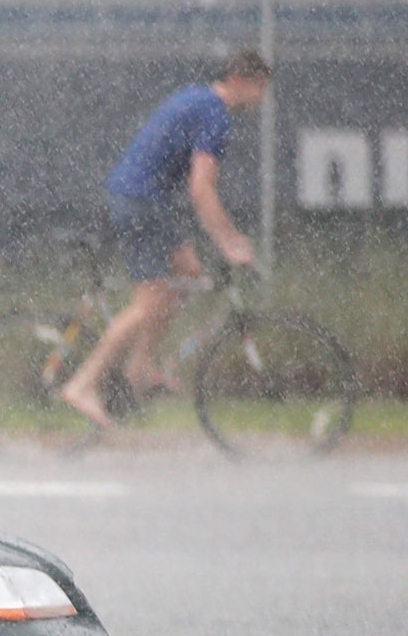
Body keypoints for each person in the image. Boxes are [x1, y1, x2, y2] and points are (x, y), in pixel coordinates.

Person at [56, 50, 271, 432]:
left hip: (142, 200)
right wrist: (229, 242)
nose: (260, 100)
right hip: (141, 203)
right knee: (149, 302)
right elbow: (201, 190)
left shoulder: (199, 98)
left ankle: (140, 368)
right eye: (259, 89)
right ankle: (82, 384)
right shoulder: (215, 117)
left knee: (187, 272)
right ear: (239, 80)